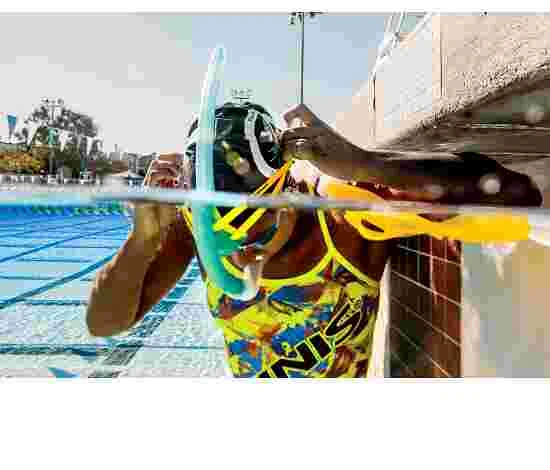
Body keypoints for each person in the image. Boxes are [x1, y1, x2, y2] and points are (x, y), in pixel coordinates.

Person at [86, 100, 541, 378]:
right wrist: (142, 240)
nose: (242, 256)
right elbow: (103, 324)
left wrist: (367, 165)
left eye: (258, 228)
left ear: (286, 187)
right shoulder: (198, 231)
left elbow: (518, 196)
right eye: (224, 240)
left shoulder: (340, 220)